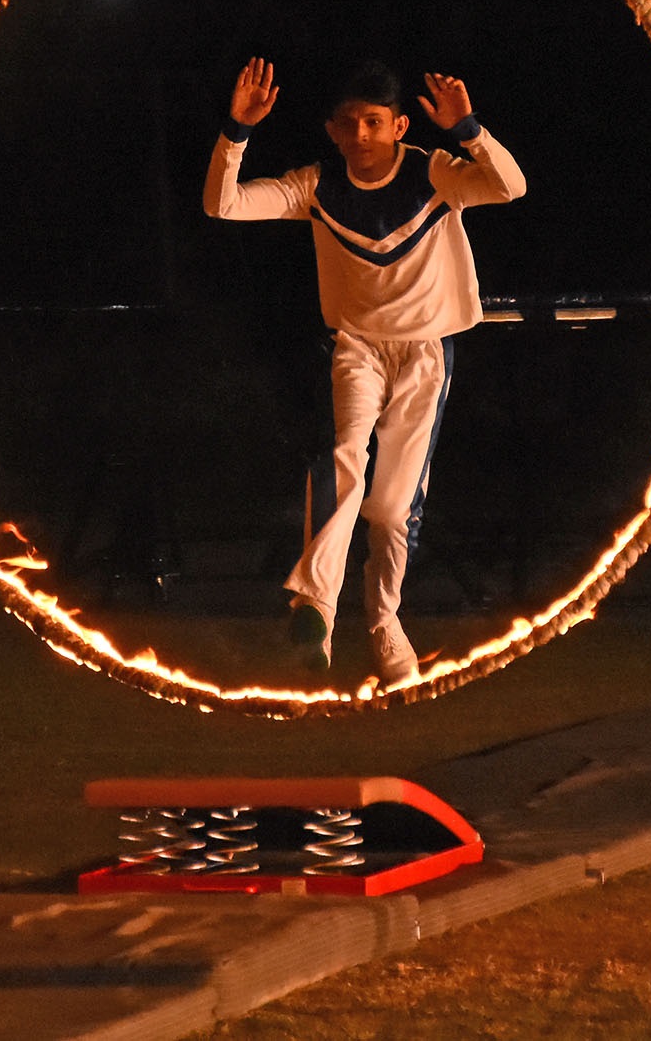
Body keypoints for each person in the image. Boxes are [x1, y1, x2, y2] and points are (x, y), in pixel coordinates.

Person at [202, 59, 526, 685]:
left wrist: (470, 130)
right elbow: (224, 204)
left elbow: (510, 187)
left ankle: (383, 622)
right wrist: (235, 132)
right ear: (331, 129)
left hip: (425, 354)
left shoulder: (434, 171)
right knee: (344, 457)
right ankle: (315, 605)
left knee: (389, 511)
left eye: (375, 122)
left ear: (400, 125)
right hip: (357, 349)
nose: (362, 135)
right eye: (349, 124)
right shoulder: (316, 185)